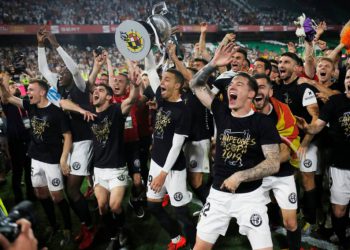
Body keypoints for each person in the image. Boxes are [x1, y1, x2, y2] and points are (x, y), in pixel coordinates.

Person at [190, 43, 280, 250]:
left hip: (251, 198)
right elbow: (195, 85)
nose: (231, 86)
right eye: (231, 84)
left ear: (251, 94)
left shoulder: (262, 123)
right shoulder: (221, 112)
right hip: (218, 195)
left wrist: (240, 176)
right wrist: (213, 63)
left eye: (238, 84)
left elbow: (273, 163)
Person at [37, 29, 96, 249]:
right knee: (68, 189)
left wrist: (55, 43)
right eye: (59, 70)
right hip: (69, 143)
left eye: (64, 69)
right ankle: (86, 221)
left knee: (72, 190)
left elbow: (72, 66)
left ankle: (90, 227)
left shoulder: (79, 85)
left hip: (84, 142)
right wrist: (41, 45)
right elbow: (44, 69)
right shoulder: (57, 87)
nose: (61, 72)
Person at [0, 75, 72, 246]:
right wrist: (2, 86)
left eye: (31, 90)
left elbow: (67, 135)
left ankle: (68, 227)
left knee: (57, 197)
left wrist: (63, 159)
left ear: (42, 92)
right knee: (40, 193)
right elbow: (8, 98)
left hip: (52, 159)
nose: (28, 92)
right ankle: (54, 226)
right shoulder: (30, 105)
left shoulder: (56, 112)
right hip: (35, 157)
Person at [296, 66, 350, 249]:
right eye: (348, 78)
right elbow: (317, 126)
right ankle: (343, 239)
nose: (349, 81)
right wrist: (307, 128)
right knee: (338, 209)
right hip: (340, 165)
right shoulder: (336, 102)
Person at [90, 66, 141, 249]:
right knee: (102, 206)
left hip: (117, 169)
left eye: (101, 90)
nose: (96, 91)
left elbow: (132, 99)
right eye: (95, 90)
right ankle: (113, 236)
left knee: (115, 205)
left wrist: (134, 85)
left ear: (109, 97)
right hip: (99, 169)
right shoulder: (90, 114)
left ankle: (122, 231)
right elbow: (63, 102)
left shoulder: (116, 111)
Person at [147, 68, 196, 249]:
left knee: (181, 212)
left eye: (166, 80)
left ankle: (194, 244)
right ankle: (176, 237)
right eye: (162, 79)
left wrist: (163, 174)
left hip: (173, 169)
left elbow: (177, 146)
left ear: (178, 85)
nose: (161, 83)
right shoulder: (161, 100)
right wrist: (146, 49)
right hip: (156, 163)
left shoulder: (183, 111)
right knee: (153, 206)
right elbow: (151, 71)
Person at [253, 73, 301, 249]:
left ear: (271, 91)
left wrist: (263, 164)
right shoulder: (244, 112)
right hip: (257, 175)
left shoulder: (283, 112)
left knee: (290, 223)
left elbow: (287, 152)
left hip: (281, 173)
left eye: (262, 87)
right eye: (254, 87)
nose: (258, 90)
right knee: (258, 220)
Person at [274, 52, 320, 233]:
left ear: (296, 67)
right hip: (284, 142)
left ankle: (311, 219)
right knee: (283, 178)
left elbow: (315, 117)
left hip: (305, 141)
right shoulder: (276, 90)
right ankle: (291, 213)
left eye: (286, 61)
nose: (281, 64)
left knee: (307, 178)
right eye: (279, 61)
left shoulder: (304, 88)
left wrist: (306, 142)